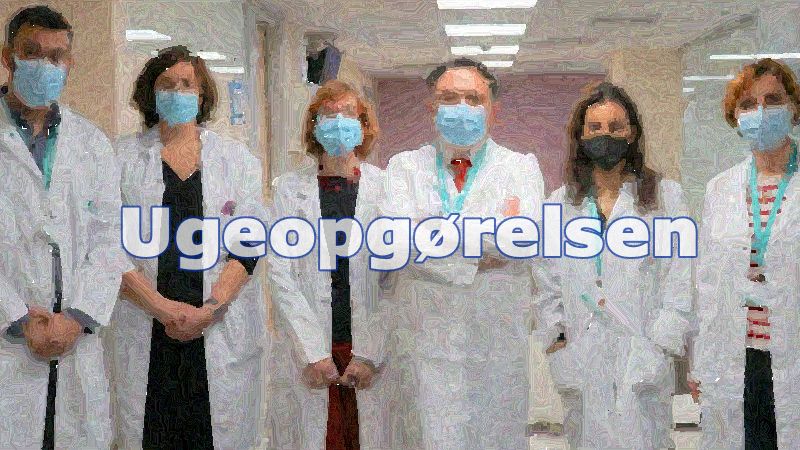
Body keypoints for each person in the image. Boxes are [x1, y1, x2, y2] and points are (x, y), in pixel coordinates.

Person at [346, 58, 546, 450]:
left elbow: (521, 240)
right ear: (431, 107)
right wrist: (482, 248)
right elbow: (398, 244)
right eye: (449, 98)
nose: (461, 108)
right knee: (428, 437)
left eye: (473, 99)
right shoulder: (404, 168)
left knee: (495, 439)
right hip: (426, 344)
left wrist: (432, 236)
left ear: (492, 109)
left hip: (495, 342)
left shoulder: (520, 168)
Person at [111, 46, 266, 449]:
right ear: (150, 94)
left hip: (214, 326)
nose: (177, 92)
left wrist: (210, 308)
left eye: (187, 84)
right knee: (152, 433)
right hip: (148, 324)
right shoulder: (121, 158)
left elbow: (248, 246)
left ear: (202, 95)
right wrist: (162, 308)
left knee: (212, 434)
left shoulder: (236, 160)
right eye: (166, 84)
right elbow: (108, 246)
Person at [532, 81, 693, 449]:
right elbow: (546, 283)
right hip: (582, 356)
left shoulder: (665, 199)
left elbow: (681, 279)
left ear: (631, 133)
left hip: (643, 353)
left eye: (616, 127)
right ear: (581, 136)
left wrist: (661, 346)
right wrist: (558, 340)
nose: (605, 136)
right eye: (595, 128)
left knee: (646, 438)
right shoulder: (558, 206)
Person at [0, 6, 132, 449]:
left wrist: (77, 318)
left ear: (70, 63)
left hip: (75, 344)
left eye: (56, 56)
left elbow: (109, 239)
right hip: (9, 343)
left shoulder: (92, 143)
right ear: (8, 57)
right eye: (32, 52)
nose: (45, 65)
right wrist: (18, 317)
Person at [266, 79, 382, 450]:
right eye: (328, 115)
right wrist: (312, 351)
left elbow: (394, 280)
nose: (338, 123)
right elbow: (280, 273)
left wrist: (370, 353)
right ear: (314, 127)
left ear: (363, 125)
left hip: (366, 343)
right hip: (310, 343)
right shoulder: (289, 189)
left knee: (367, 436)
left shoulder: (387, 188)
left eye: (348, 114)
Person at [692, 58, 800, 449]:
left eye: (773, 100)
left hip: (793, 350)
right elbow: (708, 284)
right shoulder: (720, 189)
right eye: (749, 104)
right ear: (735, 118)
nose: (761, 112)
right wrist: (701, 361)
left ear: (794, 109)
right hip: (738, 356)